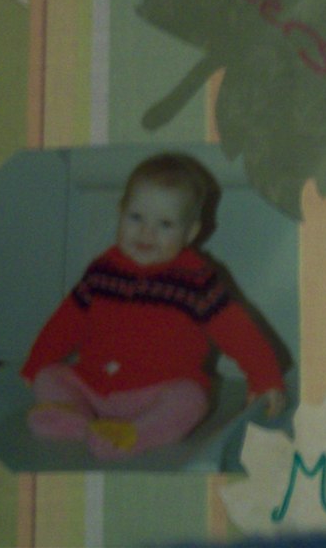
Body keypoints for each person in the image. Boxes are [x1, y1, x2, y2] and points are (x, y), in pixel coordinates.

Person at [21, 152, 287, 460]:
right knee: (49, 376)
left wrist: (265, 378)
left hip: (158, 394)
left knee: (191, 399)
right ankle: (76, 419)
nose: (147, 233)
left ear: (190, 232)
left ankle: (137, 434)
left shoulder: (196, 281)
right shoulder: (102, 271)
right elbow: (67, 321)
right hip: (94, 387)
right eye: (136, 218)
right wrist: (37, 362)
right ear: (121, 213)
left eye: (165, 224)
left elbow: (238, 331)